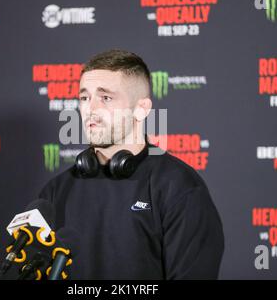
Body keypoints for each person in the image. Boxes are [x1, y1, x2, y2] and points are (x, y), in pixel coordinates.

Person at [38, 49, 224, 279]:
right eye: (85, 97)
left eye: (105, 98)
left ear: (141, 109)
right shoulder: (56, 192)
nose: (90, 110)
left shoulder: (180, 189)